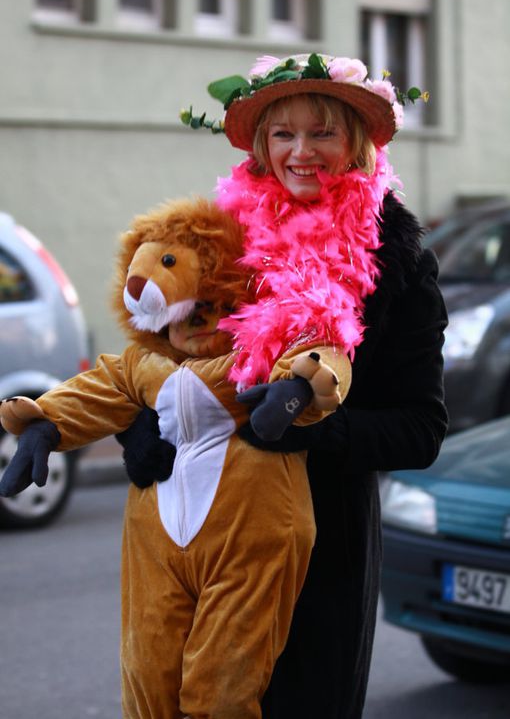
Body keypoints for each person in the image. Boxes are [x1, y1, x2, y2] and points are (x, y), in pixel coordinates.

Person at [120, 53, 449, 719]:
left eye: (322, 132)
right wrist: (142, 424)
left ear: (356, 141)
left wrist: (310, 424)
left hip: (322, 549)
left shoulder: (399, 258)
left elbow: (421, 428)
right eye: (284, 134)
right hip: (201, 534)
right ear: (262, 146)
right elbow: (161, 357)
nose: (302, 152)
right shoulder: (220, 240)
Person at [0, 197, 351, 719]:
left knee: (224, 684)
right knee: (148, 674)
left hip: (249, 537)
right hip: (157, 545)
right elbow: (100, 388)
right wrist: (44, 426)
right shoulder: (146, 365)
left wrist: (295, 391)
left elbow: (321, 357)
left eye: (166, 264)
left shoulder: (254, 348)